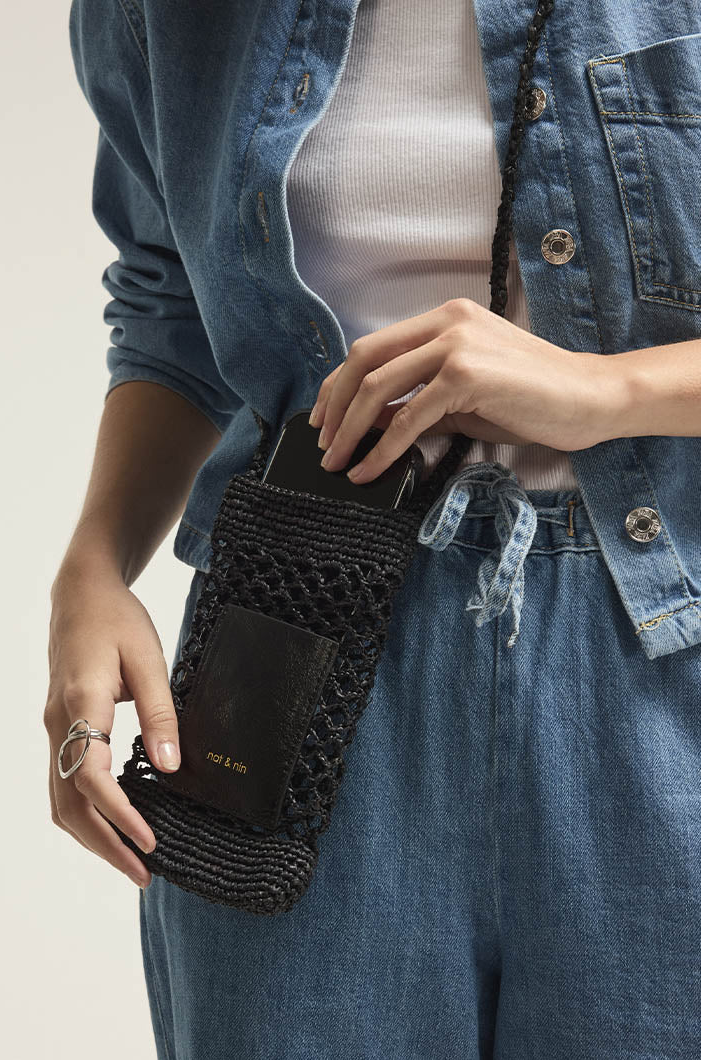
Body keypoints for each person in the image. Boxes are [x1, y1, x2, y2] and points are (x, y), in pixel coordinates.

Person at [45, 0, 701, 1055]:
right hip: (290, 652)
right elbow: (168, 310)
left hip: (659, 656)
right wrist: (93, 565)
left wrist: (609, 392)